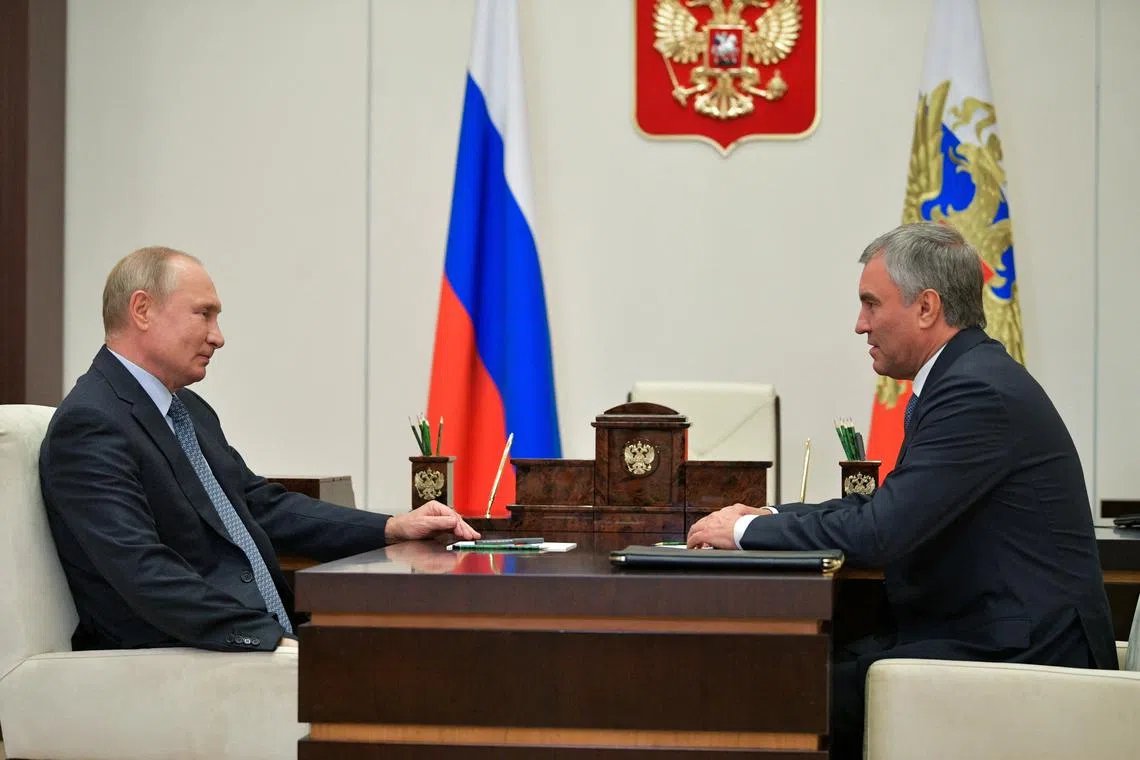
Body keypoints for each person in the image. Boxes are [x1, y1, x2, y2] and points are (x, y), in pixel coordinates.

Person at [687, 222, 1116, 759]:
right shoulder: (966, 375)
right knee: (796, 667)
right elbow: (887, 506)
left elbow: (881, 529)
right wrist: (768, 513)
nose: (859, 325)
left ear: (926, 307)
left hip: (1024, 659)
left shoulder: (975, 391)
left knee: (777, 690)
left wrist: (747, 531)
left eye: (870, 304)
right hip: (986, 634)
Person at [40, 246, 479, 654]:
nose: (218, 337)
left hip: (259, 639)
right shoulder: (91, 424)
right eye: (204, 314)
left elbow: (258, 505)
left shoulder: (186, 409)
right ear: (142, 310)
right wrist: (268, 640)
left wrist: (392, 526)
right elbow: (143, 572)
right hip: (183, 658)